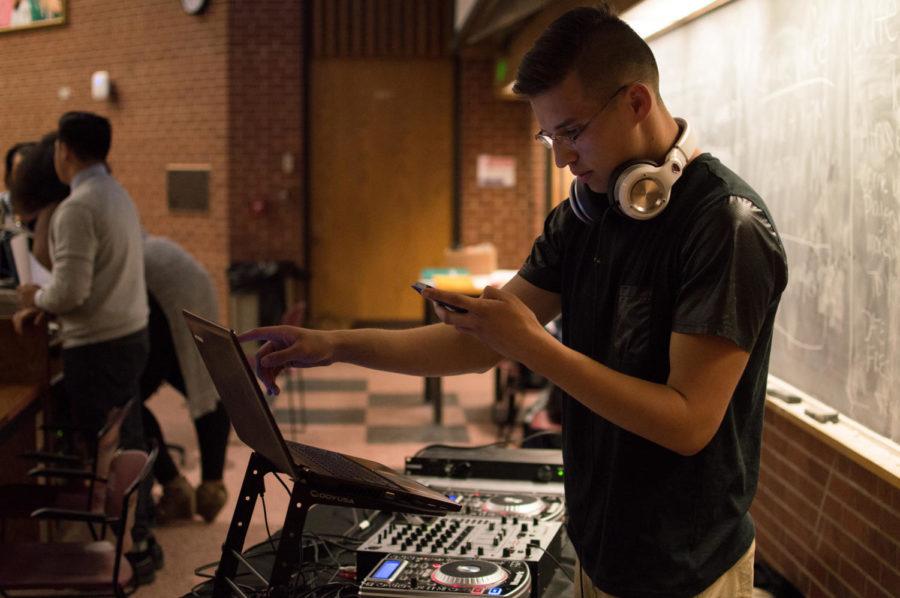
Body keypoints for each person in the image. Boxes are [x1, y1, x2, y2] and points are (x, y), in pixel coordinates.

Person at [240, 5, 788, 597]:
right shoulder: (585, 214)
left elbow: (687, 423)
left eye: (573, 131)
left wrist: (534, 348)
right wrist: (332, 345)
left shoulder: (726, 226)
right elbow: (471, 346)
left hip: (689, 570)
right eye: (550, 136)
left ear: (635, 103)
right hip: (599, 549)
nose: (561, 158)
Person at [11, 133, 231, 525]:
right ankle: (197, 487)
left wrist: (42, 299)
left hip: (159, 293)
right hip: (173, 278)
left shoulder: (73, 207)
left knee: (127, 400)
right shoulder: (103, 194)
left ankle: (179, 487)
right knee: (192, 387)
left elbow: (74, 284)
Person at [13, 113, 162, 584]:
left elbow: (71, 292)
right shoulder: (117, 194)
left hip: (97, 346)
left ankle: (127, 552)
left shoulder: (79, 206)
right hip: (129, 335)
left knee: (111, 454)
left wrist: (36, 298)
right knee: (127, 443)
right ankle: (141, 543)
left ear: (65, 151)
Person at [141, 233, 231, 523]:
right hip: (187, 290)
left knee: (123, 400)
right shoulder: (144, 240)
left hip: (163, 301)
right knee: (204, 386)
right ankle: (211, 489)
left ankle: (175, 487)